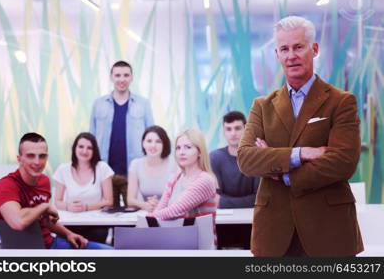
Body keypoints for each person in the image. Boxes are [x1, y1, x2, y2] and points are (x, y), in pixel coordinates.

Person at [237, 16, 363, 257]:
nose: (291, 55)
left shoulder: (341, 101)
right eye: (284, 49)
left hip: (328, 229)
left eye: (298, 47)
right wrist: (301, 154)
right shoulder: (262, 106)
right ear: (277, 54)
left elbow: (342, 162)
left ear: (314, 49)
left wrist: (281, 172)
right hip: (274, 232)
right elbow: (246, 159)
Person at [0, 132, 112, 249]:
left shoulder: (44, 181)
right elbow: (18, 222)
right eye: (30, 156)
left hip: (50, 244)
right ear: (19, 159)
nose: (37, 162)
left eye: (42, 156)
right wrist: (44, 206)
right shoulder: (6, 185)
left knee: (111, 253)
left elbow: (44, 221)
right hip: (29, 252)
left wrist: (68, 234)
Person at [90, 60, 154, 207]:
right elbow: (91, 137)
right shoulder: (98, 104)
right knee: (105, 216)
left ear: (132, 77)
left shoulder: (143, 104)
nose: (122, 79)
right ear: (111, 77)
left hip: (132, 172)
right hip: (105, 171)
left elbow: (152, 136)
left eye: (126, 75)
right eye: (117, 75)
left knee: (134, 217)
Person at [151, 129, 218, 232]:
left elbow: (175, 211)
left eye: (188, 147)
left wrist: (148, 218)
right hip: (175, 237)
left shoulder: (205, 180)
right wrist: (150, 218)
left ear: (200, 152)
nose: (181, 152)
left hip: (199, 242)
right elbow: (160, 209)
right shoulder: (174, 178)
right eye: (178, 148)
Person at [53, 132, 114, 243]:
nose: (84, 151)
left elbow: (109, 201)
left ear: (94, 151)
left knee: (98, 235)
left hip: (96, 223)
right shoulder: (63, 169)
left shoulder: (102, 168)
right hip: (70, 223)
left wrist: (87, 207)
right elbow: (57, 201)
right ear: (74, 148)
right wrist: (68, 206)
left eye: (89, 148)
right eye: (81, 146)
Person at [210, 111, 260, 208]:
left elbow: (258, 198)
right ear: (223, 132)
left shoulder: (256, 157)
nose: (233, 133)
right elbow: (214, 198)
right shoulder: (214, 158)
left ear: (246, 130)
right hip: (222, 218)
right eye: (228, 129)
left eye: (237, 128)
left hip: (252, 217)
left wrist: (223, 202)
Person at [127, 126, 177, 212]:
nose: (153, 145)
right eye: (149, 141)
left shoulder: (174, 164)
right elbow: (130, 200)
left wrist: (160, 204)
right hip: (144, 214)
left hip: (168, 213)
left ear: (164, 144)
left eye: (158, 141)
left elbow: (179, 197)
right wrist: (145, 205)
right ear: (143, 143)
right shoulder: (135, 164)